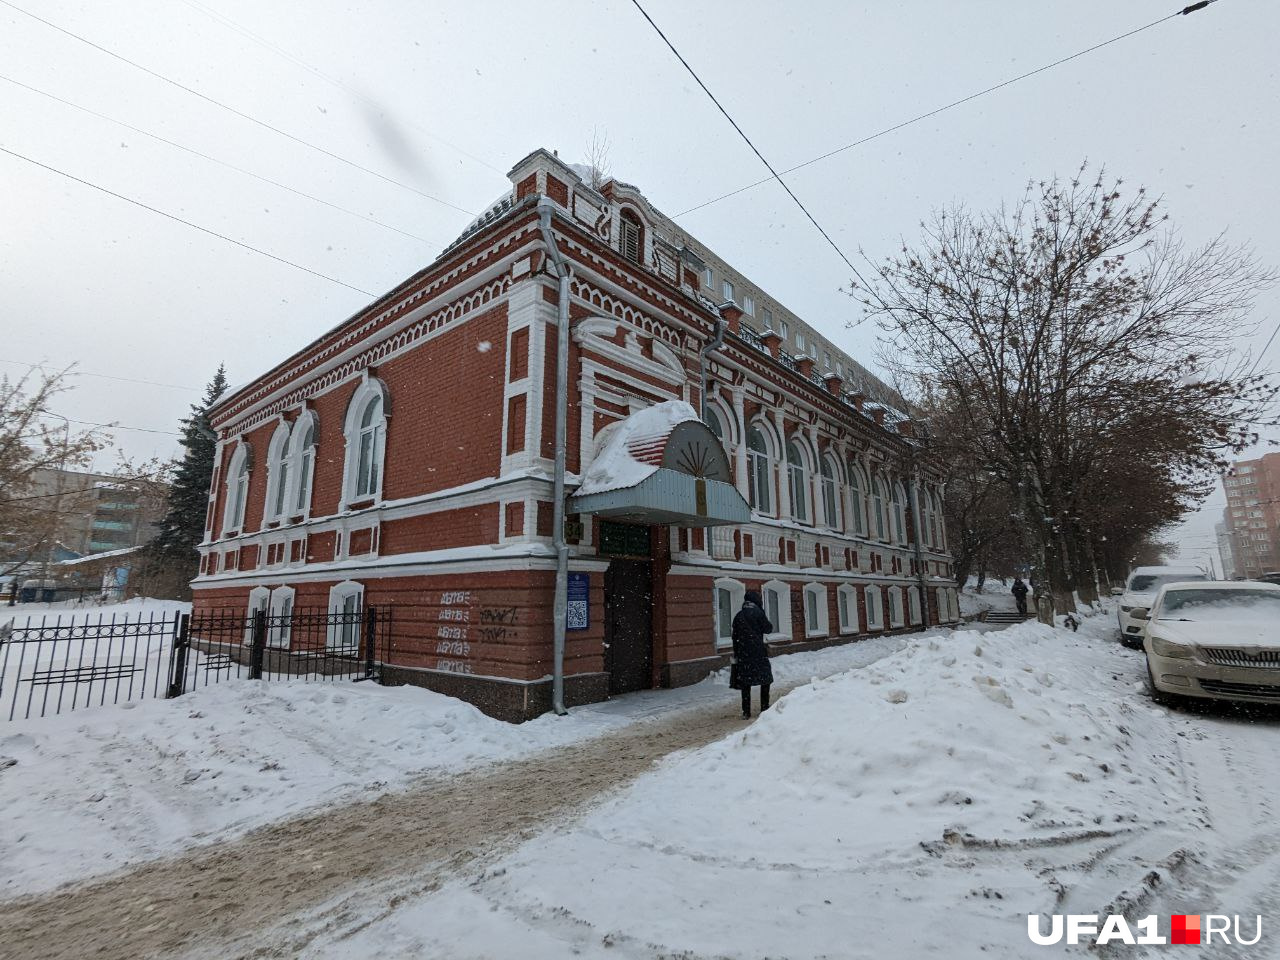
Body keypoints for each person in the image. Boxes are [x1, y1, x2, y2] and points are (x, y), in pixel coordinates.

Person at [731, 589, 774, 718]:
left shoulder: (739, 615)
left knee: (745, 682)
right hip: (758, 652)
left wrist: (737, 653)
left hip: (743, 653)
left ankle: (746, 712)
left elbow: (734, 637)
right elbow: (768, 629)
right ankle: (764, 707)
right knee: (765, 679)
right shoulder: (758, 613)